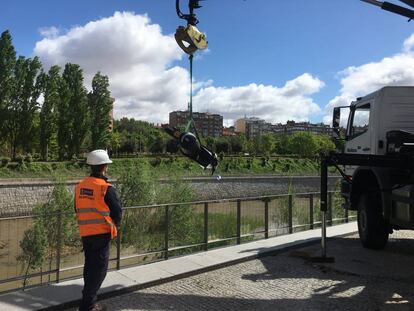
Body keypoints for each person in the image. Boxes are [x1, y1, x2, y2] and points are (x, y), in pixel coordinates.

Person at [75, 150, 122, 311]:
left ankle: (88, 299)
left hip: (86, 233)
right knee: (99, 271)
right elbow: (117, 212)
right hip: (102, 235)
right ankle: (88, 305)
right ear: (104, 167)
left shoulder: (80, 186)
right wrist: (115, 226)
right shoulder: (105, 188)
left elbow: (77, 208)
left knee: (89, 267)